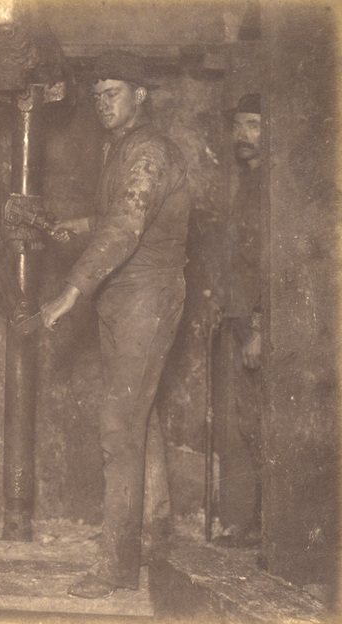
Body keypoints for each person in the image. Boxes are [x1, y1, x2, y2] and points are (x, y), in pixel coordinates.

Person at [41, 50, 191, 599]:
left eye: (114, 94)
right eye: (98, 95)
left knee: (118, 427)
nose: (103, 104)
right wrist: (77, 224)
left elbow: (128, 227)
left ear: (140, 95)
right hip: (124, 297)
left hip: (145, 296)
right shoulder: (122, 150)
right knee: (138, 418)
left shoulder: (148, 152)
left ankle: (117, 565)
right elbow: (116, 219)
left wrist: (71, 290)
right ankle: (152, 538)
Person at [211, 93, 263, 549]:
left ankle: (267, 528)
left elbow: (265, 264)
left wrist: (257, 330)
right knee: (249, 424)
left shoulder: (269, 188)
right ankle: (256, 525)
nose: (242, 136)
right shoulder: (247, 183)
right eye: (239, 126)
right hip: (242, 321)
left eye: (254, 126)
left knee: (263, 424)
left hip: (260, 328)